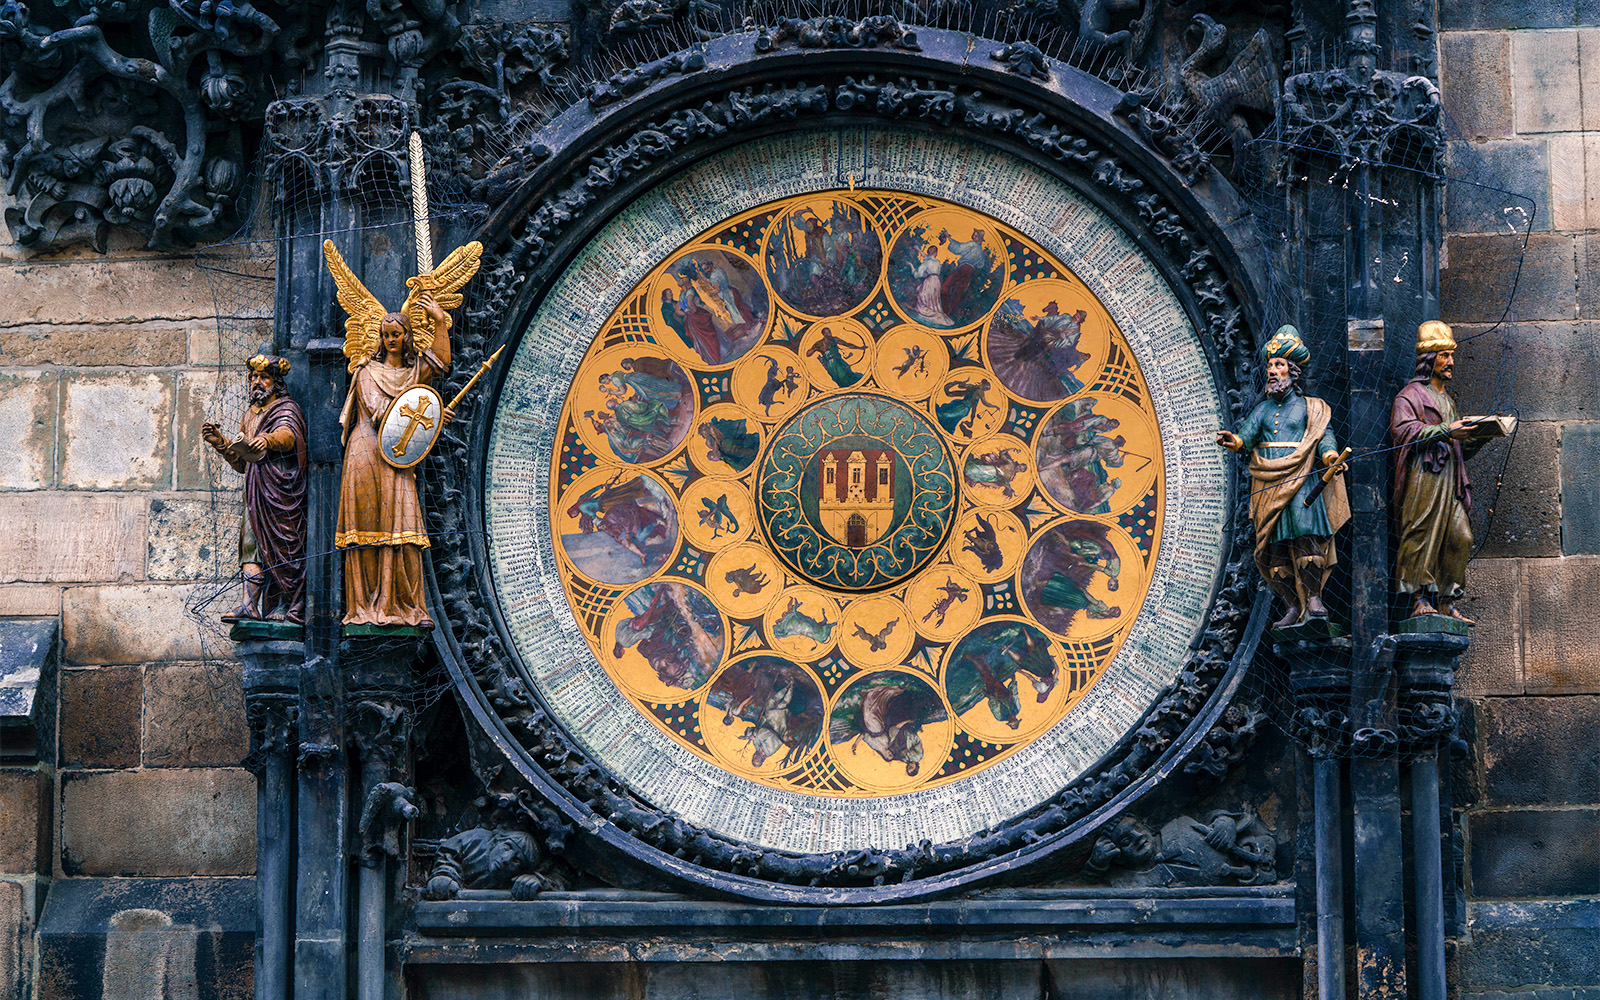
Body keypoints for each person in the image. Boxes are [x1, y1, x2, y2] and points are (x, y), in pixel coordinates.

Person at [1216, 326, 1349, 629]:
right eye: (1270, 366)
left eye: (1279, 365)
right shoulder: (1262, 410)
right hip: (1268, 484)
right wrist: (1233, 441)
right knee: (1271, 549)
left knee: (1306, 539)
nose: (1272, 372)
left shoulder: (1310, 408)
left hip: (1301, 482)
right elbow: (1245, 438)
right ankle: (1291, 605)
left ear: (1294, 371)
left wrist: (1330, 458)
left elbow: (1324, 437)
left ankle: (1314, 598)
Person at [336, 295, 454, 627]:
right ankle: (367, 606)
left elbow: (441, 361)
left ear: (407, 337)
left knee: (403, 524)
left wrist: (440, 320)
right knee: (369, 525)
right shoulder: (366, 371)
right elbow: (378, 412)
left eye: (397, 333)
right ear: (380, 338)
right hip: (368, 452)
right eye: (386, 334)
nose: (391, 339)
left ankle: (402, 604)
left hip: (400, 458)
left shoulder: (416, 370)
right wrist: (432, 413)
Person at [201, 354, 306, 623]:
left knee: (283, 545)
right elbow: (242, 463)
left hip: (280, 490)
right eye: (253, 378)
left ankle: (287, 603)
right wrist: (221, 443)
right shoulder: (249, 414)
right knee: (251, 546)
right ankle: (249, 605)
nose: (257, 382)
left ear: (276, 382)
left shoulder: (286, 408)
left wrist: (268, 439)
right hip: (254, 488)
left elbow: (288, 435)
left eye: (263, 377)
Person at [1391, 321, 1484, 622]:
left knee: (1460, 537)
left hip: (1450, 477)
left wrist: (1480, 435)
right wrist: (1445, 430)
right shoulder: (1410, 396)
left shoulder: (1448, 401)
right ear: (1429, 359)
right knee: (1420, 532)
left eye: (1451, 355)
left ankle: (1446, 598)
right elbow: (1403, 430)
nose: (1451, 362)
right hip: (1425, 478)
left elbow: (1460, 445)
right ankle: (1419, 597)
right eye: (1444, 356)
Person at [910, 244, 954, 326]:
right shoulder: (937, 262)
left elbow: (917, 274)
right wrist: (918, 250)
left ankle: (928, 311)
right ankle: (934, 310)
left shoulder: (927, 262)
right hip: (937, 281)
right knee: (933, 298)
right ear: (936, 253)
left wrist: (911, 266)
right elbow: (927, 258)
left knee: (923, 294)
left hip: (930, 281)